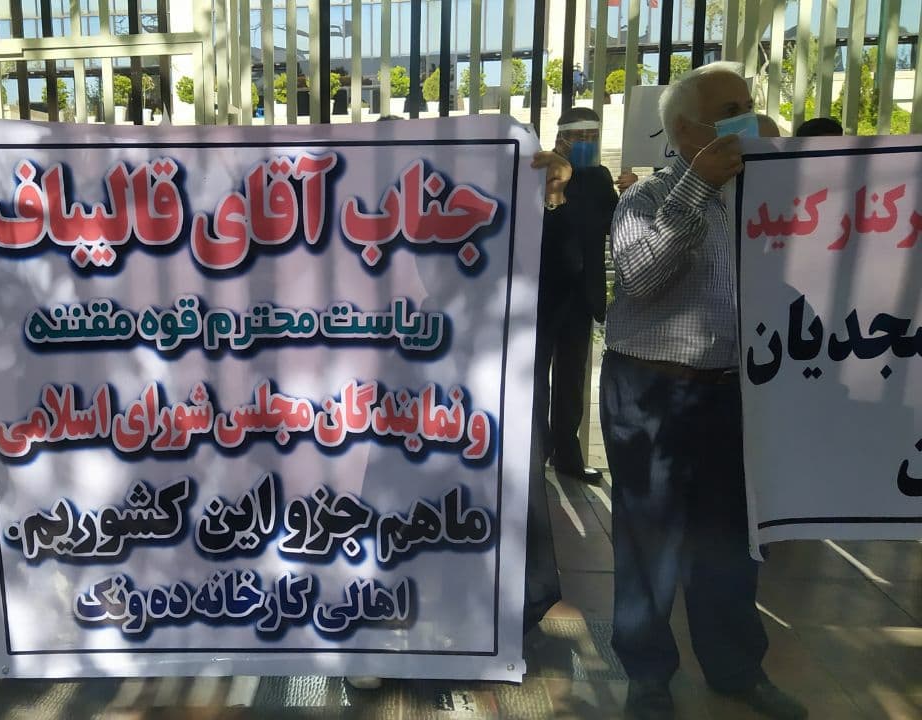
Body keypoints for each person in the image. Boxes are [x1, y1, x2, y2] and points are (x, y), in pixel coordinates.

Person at [603, 62, 807, 720]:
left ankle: (736, 668)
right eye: (730, 109)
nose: (747, 114)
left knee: (731, 539)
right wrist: (697, 187)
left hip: (736, 393)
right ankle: (648, 676)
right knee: (648, 540)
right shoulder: (644, 199)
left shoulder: (765, 202)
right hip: (651, 390)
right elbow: (639, 277)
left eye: (748, 102)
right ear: (688, 131)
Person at [344, 146, 577, 692]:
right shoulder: (416, 314)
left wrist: (553, 203)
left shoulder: (513, 299)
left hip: (491, 391)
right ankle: (383, 630)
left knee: (488, 508)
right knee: (397, 505)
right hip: (425, 388)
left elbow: (560, 281)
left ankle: (472, 623)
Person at [535, 107, 617, 486]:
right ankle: (536, 454)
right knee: (536, 379)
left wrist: (630, 193)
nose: (588, 143)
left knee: (571, 380)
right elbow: (541, 229)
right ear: (561, 137)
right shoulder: (540, 170)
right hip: (541, 293)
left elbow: (613, 224)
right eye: (580, 136)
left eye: (593, 137)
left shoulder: (599, 178)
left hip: (581, 295)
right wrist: (554, 194)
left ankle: (568, 456)